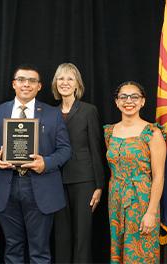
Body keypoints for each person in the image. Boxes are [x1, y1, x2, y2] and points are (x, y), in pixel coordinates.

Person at [0, 64, 71, 263]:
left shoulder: (52, 113)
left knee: (39, 250)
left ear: (39, 86)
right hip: (6, 186)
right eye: (22, 80)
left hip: (40, 187)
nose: (26, 84)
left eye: (32, 81)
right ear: (14, 84)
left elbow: (65, 149)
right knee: (12, 248)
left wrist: (46, 163)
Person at [103, 81, 166, 263]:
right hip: (115, 198)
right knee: (119, 249)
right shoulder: (110, 132)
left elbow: (159, 176)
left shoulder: (152, 133)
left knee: (141, 253)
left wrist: (151, 212)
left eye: (134, 97)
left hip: (142, 200)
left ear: (142, 102)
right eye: (123, 97)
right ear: (116, 102)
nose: (128, 101)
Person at [51, 63, 104, 263]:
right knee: (61, 236)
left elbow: (95, 148)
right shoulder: (49, 113)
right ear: (56, 83)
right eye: (61, 79)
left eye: (69, 79)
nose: (65, 82)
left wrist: (99, 185)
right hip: (55, 180)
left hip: (84, 180)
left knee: (82, 235)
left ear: (77, 84)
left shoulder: (88, 111)